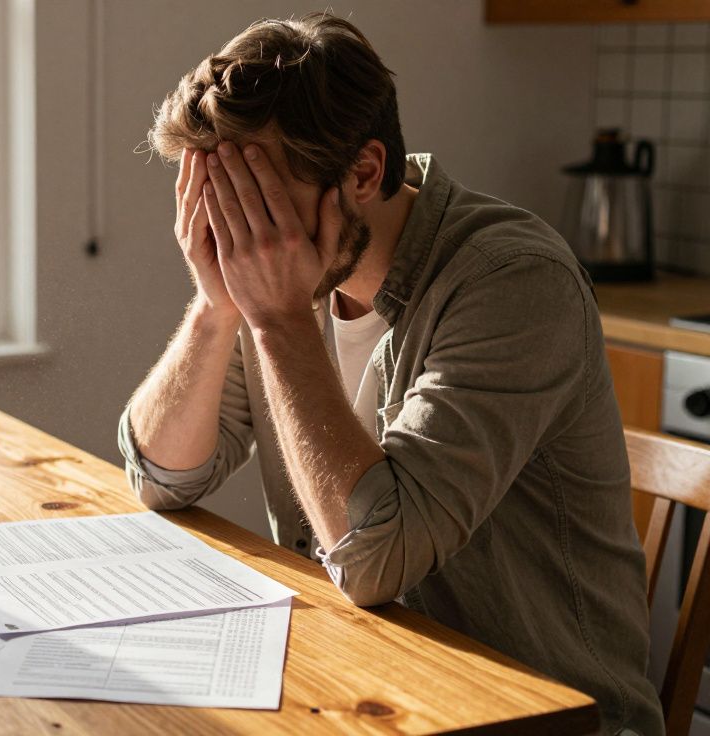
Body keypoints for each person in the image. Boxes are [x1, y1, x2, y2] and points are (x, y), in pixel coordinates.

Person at [118, 13, 663, 735]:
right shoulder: (284, 274)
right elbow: (161, 476)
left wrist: (276, 322)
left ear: (365, 173)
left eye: (258, 201)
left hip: (541, 715)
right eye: (219, 199)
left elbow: (375, 561)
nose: (237, 232)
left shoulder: (514, 281)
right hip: (371, 687)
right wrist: (216, 305)